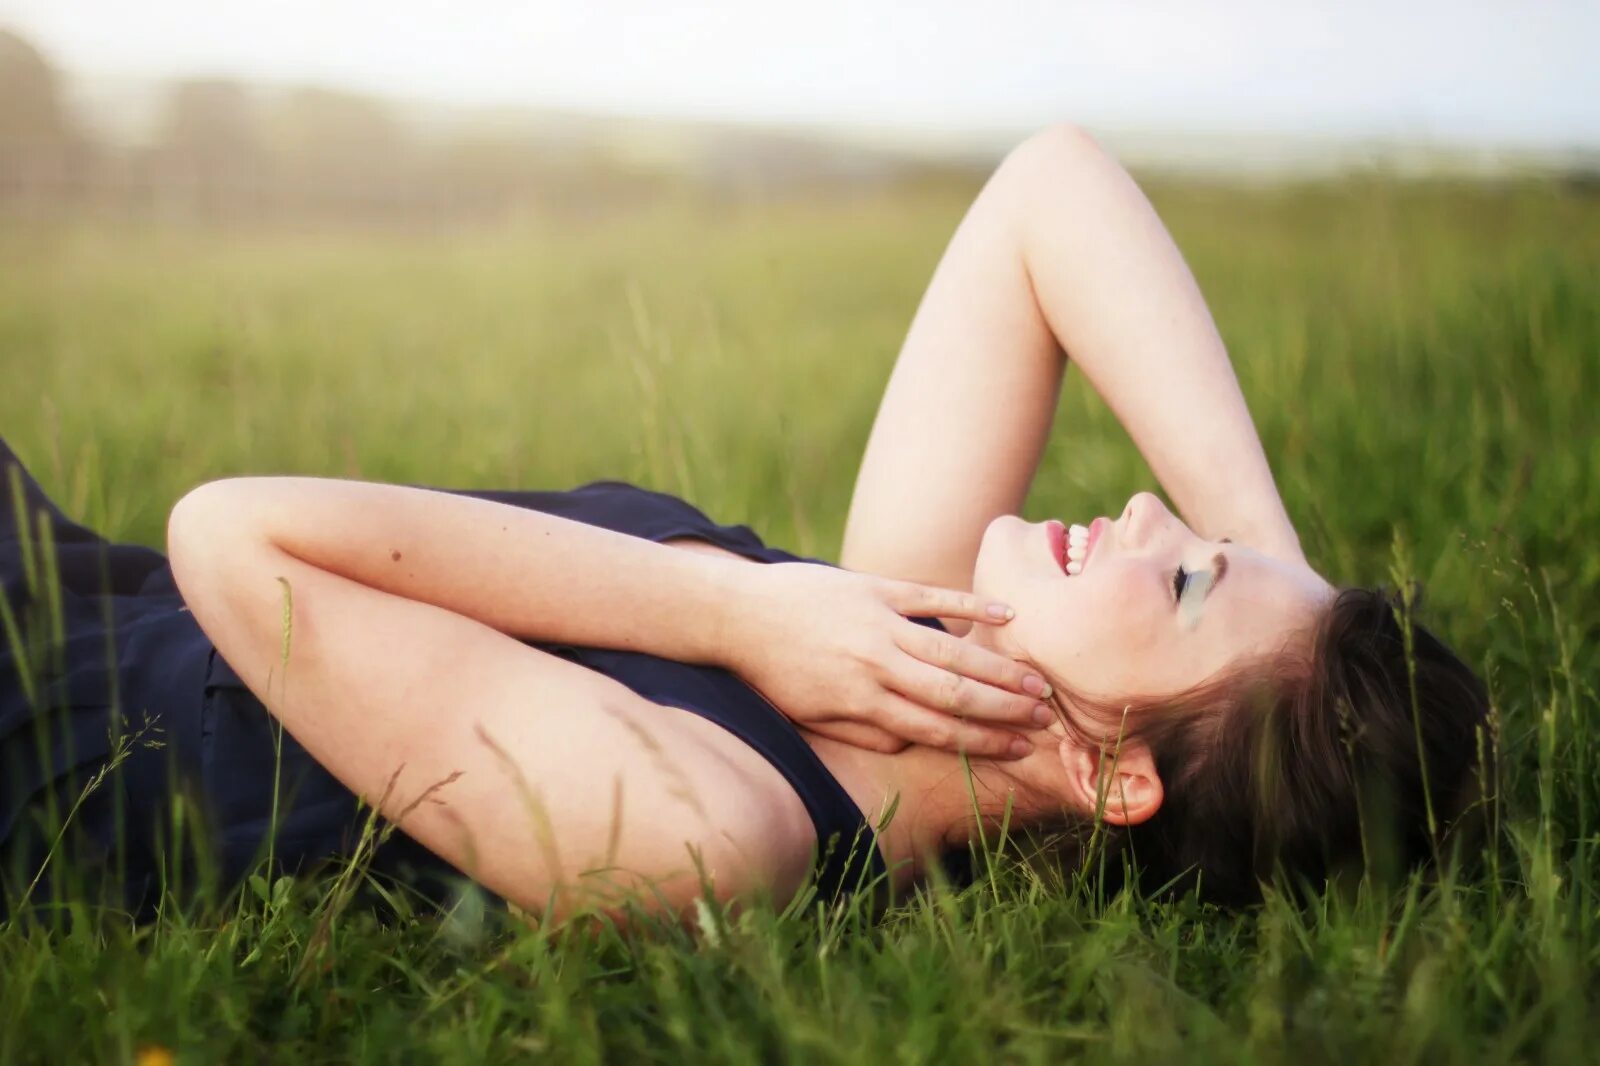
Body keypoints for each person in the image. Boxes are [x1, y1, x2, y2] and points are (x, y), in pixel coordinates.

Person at [0, 125, 1489, 921]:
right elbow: (1050, 191)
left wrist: (733, 609)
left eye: (1184, 585)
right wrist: (1270, 567)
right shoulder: (903, 636)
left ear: (1116, 781)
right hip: (57, 577)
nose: (1155, 513)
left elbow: (236, 537)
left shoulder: (719, 837)